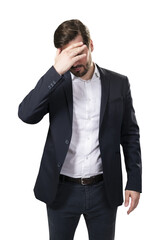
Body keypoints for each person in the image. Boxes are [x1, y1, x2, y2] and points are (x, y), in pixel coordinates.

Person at [18, 19, 142, 240]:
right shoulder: (55, 84)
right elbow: (26, 115)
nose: (75, 61)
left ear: (91, 45)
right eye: (69, 55)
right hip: (61, 191)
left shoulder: (118, 83)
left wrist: (134, 180)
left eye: (79, 52)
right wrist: (56, 71)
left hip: (104, 190)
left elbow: (130, 135)